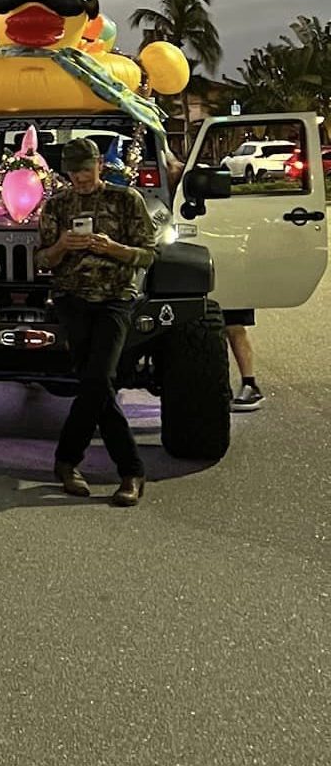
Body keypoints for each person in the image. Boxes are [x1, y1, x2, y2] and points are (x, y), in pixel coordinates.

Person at [35, 138, 159, 507]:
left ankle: (90, 463)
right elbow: (42, 260)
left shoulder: (126, 200)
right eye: (73, 172)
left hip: (115, 299)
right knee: (96, 383)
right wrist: (61, 246)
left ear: (100, 165)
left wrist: (111, 248)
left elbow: (148, 255)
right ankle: (119, 471)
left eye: (86, 170)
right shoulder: (57, 204)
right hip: (72, 301)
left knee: (99, 378)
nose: (81, 178)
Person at [162, 148, 262, 411]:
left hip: (221, 265)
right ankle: (216, 387)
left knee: (233, 324)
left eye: (173, 168)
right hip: (186, 273)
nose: (170, 171)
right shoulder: (168, 198)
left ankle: (250, 383)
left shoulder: (205, 196)